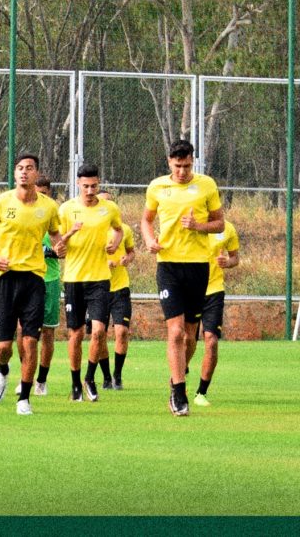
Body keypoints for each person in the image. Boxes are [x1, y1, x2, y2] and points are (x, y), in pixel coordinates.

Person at [141, 139, 224, 417]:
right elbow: (146, 219)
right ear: (169, 162)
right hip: (169, 266)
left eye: (187, 166)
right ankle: (179, 392)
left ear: (193, 161)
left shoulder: (207, 185)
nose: (182, 171)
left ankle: (178, 373)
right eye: (177, 166)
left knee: (190, 338)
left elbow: (220, 223)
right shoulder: (157, 187)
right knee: (175, 332)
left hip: (199, 267)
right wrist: (150, 239)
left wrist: (198, 226)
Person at [0, 153, 64, 416]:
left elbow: (56, 234)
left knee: (30, 342)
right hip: (4, 278)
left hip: (34, 279)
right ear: (15, 174)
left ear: (36, 174)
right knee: (4, 346)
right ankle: (3, 371)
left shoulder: (48, 207)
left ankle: (24, 398)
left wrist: (60, 246)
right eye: (19, 168)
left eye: (29, 168)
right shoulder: (1, 202)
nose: (24, 172)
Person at [58, 164, 123, 403]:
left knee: (98, 333)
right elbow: (58, 247)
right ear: (78, 185)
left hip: (100, 279)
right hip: (74, 279)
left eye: (94, 185)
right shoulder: (66, 210)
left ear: (99, 184)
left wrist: (115, 244)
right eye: (85, 186)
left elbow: (118, 231)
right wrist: (69, 235)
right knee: (75, 335)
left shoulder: (109, 209)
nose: (89, 190)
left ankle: (89, 377)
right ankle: (75, 383)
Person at [187, 219, 239, 406]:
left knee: (212, 340)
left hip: (214, 291)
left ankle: (201, 392)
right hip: (191, 289)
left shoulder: (227, 228)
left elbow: (235, 258)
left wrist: (228, 262)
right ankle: (180, 371)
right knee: (187, 339)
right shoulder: (190, 224)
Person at [97, 190, 135, 390]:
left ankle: (117, 375)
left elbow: (131, 253)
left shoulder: (124, 230)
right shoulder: (93, 230)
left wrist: (126, 259)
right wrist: (105, 264)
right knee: (99, 334)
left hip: (120, 289)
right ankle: (105, 377)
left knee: (121, 332)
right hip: (99, 288)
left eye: (108, 203)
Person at [31, 176, 61, 396]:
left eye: (45, 193)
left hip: (49, 279)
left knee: (48, 333)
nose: (41, 196)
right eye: (37, 192)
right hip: (28, 277)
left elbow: (63, 247)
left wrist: (51, 251)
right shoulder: (22, 211)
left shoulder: (54, 213)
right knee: (25, 331)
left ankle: (41, 379)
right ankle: (26, 375)